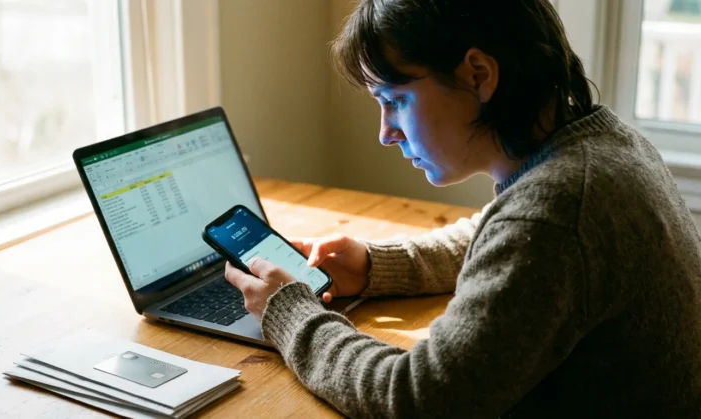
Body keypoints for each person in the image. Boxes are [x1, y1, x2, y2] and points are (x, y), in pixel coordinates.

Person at [223, 0, 701, 417]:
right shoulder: (600, 146)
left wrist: (290, 313)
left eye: (395, 99)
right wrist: (376, 265)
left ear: (478, 74)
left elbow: (418, 399)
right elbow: (504, 237)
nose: (385, 132)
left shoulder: (556, 210)